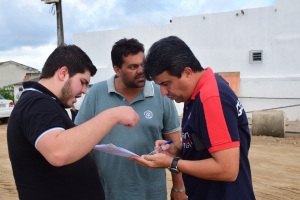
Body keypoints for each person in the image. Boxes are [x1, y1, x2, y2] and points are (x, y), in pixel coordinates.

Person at [7, 44, 139, 200]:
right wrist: (113, 115)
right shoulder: (37, 103)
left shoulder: (47, 102)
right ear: (63, 73)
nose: (84, 90)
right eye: (82, 82)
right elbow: (58, 152)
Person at [131, 36, 256, 200]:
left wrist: (172, 163)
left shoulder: (210, 97)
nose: (163, 92)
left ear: (187, 72)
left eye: (166, 83)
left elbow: (227, 169)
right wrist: (178, 150)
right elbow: (205, 144)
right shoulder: (197, 94)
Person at [75, 38, 186, 200]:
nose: (141, 70)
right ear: (117, 69)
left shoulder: (161, 94)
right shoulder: (96, 94)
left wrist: (178, 186)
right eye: (133, 67)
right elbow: (80, 141)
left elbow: (174, 146)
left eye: (143, 64)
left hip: (152, 193)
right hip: (107, 193)